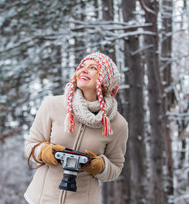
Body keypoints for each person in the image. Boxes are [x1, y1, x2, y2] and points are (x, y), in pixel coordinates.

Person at [24, 52, 128, 204]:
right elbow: (30, 146)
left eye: (93, 68)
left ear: (106, 81)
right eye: (82, 66)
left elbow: (116, 168)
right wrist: (47, 153)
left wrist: (98, 166)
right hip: (40, 199)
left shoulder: (118, 124)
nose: (83, 70)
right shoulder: (53, 105)